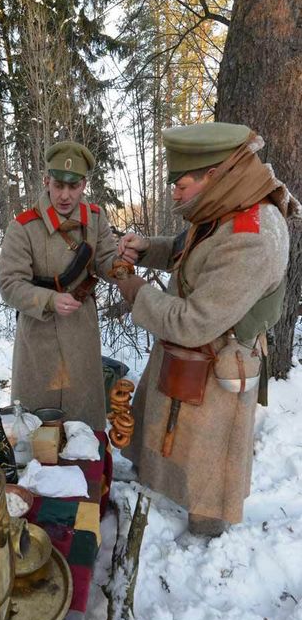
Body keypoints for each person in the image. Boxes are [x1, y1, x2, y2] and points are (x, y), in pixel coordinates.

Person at [115, 122, 296, 537]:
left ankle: (207, 529)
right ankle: (157, 484)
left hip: (219, 362)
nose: (174, 193)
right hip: (194, 352)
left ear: (214, 174)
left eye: (181, 184)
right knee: (169, 429)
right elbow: (191, 251)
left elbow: (192, 322)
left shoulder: (253, 235)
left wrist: (133, 290)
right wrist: (149, 249)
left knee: (208, 455)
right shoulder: (227, 202)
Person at [0, 140, 128, 430]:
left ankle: (87, 468)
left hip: (81, 328)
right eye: (58, 185)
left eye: (74, 186)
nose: (65, 195)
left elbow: (106, 259)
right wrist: (49, 301)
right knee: (37, 422)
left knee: (82, 414)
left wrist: (119, 266)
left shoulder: (95, 219)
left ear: (84, 185)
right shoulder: (23, 227)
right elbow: (9, 284)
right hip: (38, 333)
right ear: (46, 182)